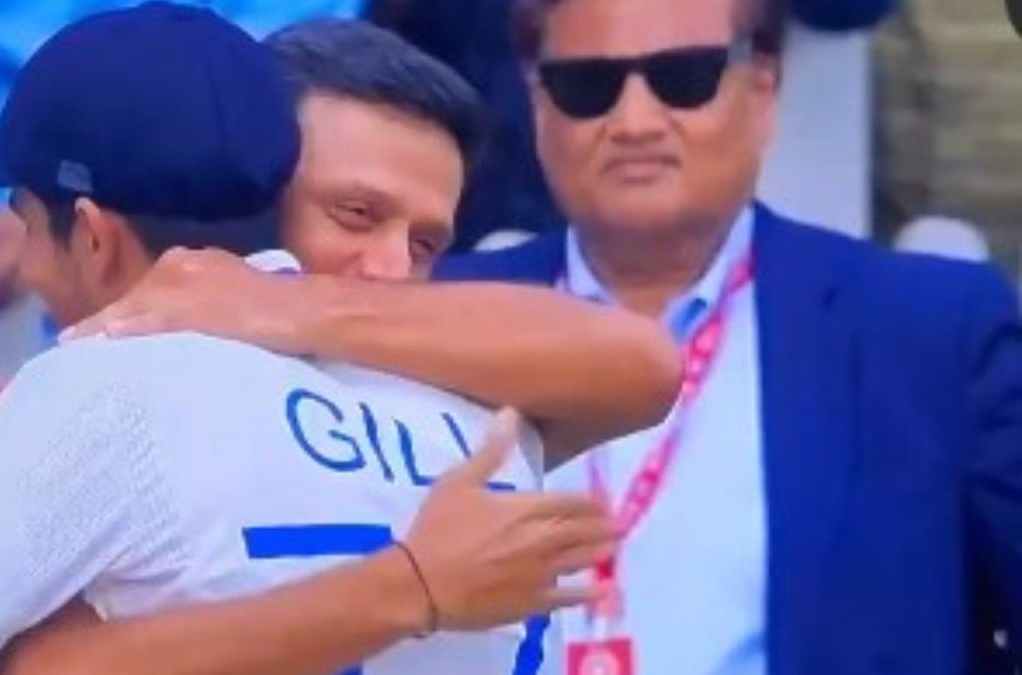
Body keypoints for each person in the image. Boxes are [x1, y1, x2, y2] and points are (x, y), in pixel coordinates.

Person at [76, 1, 1022, 674]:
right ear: (537, 105)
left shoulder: (930, 329)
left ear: (764, 88)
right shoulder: (410, 306)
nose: (637, 118)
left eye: (684, 77)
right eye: (587, 85)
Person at [0, 8, 681, 675]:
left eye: (426, 243)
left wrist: (283, 306)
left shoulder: (96, 397)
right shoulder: (487, 414)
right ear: (260, 171)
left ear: (88, 230)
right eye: (355, 212)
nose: (386, 268)